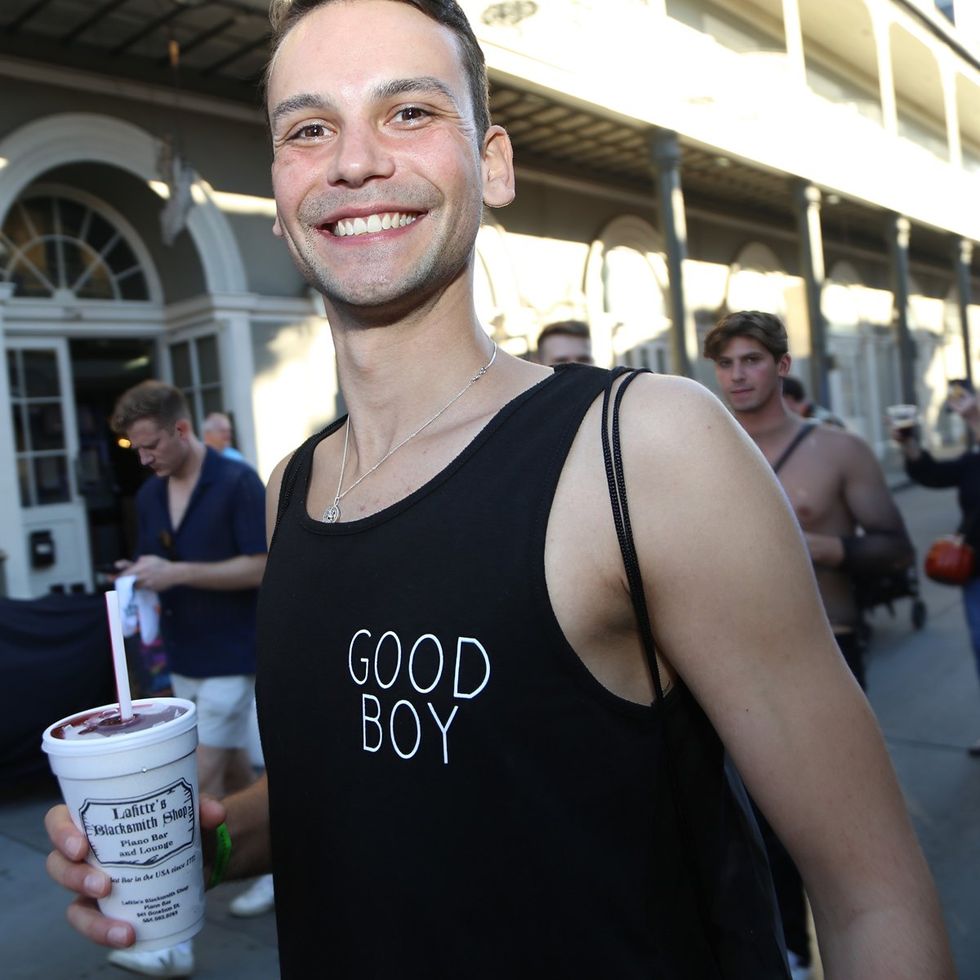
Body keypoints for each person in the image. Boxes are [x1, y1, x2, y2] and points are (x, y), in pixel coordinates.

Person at [45, 4, 953, 979]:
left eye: (406, 113)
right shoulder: (291, 490)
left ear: (495, 163)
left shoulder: (639, 450)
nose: (352, 162)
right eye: (309, 129)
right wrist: (198, 842)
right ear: (278, 193)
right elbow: (361, 783)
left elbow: (872, 897)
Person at [704, 309, 915, 976]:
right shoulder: (699, 447)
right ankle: (783, 949)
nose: (738, 376)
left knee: (824, 823)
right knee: (729, 819)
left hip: (827, 644)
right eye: (726, 364)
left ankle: (843, 944)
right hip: (717, 655)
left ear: (781, 366)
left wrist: (824, 546)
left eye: (752, 361)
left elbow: (895, 549)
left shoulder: (836, 451)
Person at [105, 381, 269, 975]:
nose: (143, 460)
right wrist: (140, 576)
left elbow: (261, 565)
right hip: (181, 653)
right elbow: (161, 564)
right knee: (231, 775)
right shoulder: (151, 494)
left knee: (188, 783)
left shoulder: (236, 480)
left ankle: (171, 939)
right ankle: (278, 862)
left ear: (180, 429)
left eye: (150, 446)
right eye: (134, 450)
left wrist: (175, 574)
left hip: (233, 653)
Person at [892, 383, 980, 757]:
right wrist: (909, 445)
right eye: (955, 399)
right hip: (976, 569)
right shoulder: (973, 456)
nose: (958, 404)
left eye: (965, 397)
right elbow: (933, 474)